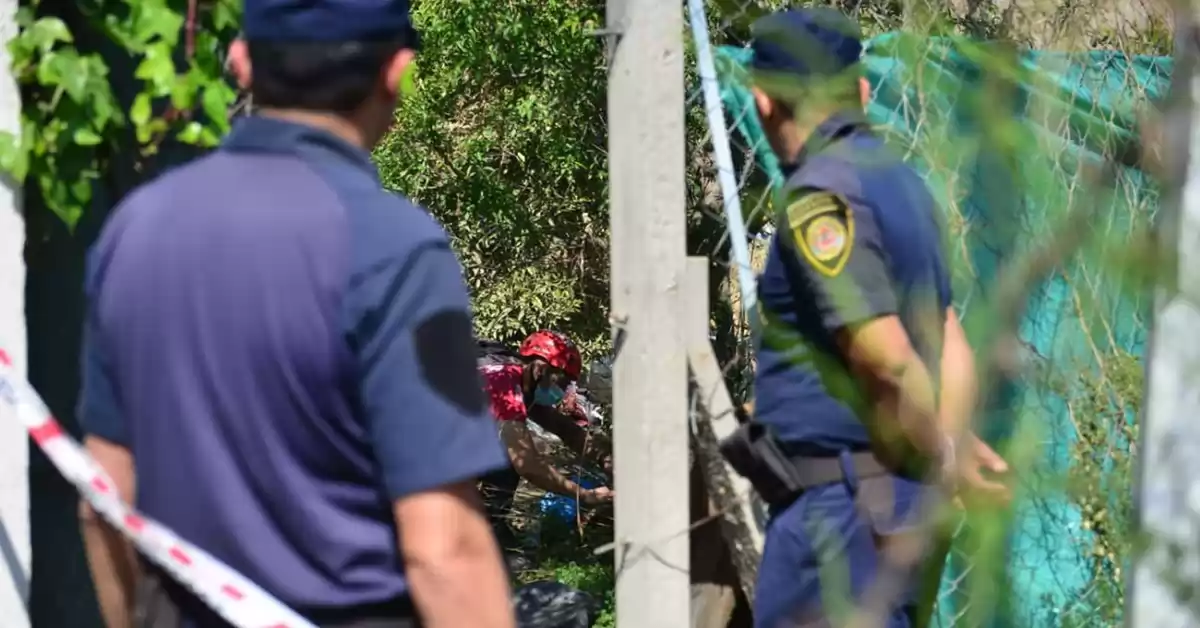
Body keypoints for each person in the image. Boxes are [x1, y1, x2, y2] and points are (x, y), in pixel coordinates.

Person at [75, 1, 516, 626]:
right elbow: (443, 548)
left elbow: (104, 501)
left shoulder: (135, 230)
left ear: (242, 63)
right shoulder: (397, 248)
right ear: (397, 72)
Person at [733, 8, 1012, 628]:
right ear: (860, 91)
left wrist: (943, 451)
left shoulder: (820, 197)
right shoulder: (905, 189)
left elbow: (881, 356)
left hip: (839, 523)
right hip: (900, 510)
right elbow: (948, 337)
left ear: (764, 100)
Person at [477, 330, 614, 570]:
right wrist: (584, 495)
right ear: (542, 369)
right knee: (509, 456)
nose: (565, 389)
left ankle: (488, 531)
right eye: (563, 380)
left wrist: (606, 458)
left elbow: (565, 428)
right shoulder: (503, 385)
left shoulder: (522, 381)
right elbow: (527, 464)